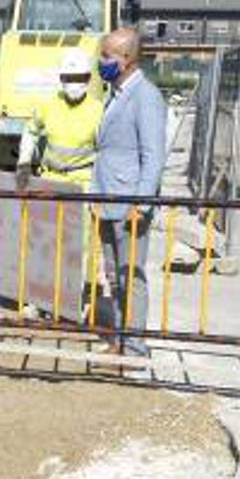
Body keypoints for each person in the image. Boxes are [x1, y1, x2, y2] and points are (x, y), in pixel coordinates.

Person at [90, 27, 168, 357]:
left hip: (129, 203)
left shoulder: (145, 96)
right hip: (107, 199)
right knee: (114, 276)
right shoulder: (116, 93)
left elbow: (152, 155)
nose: (101, 62)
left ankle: (135, 345)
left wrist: (142, 203)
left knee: (131, 276)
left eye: (106, 56)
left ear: (127, 59)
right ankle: (120, 339)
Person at [18, 50, 102, 189]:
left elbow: (105, 151)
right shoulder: (48, 105)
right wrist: (24, 161)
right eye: (69, 78)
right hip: (50, 179)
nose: (74, 83)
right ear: (61, 79)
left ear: (88, 78)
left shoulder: (98, 110)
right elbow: (30, 131)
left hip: (83, 183)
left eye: (79, 78)